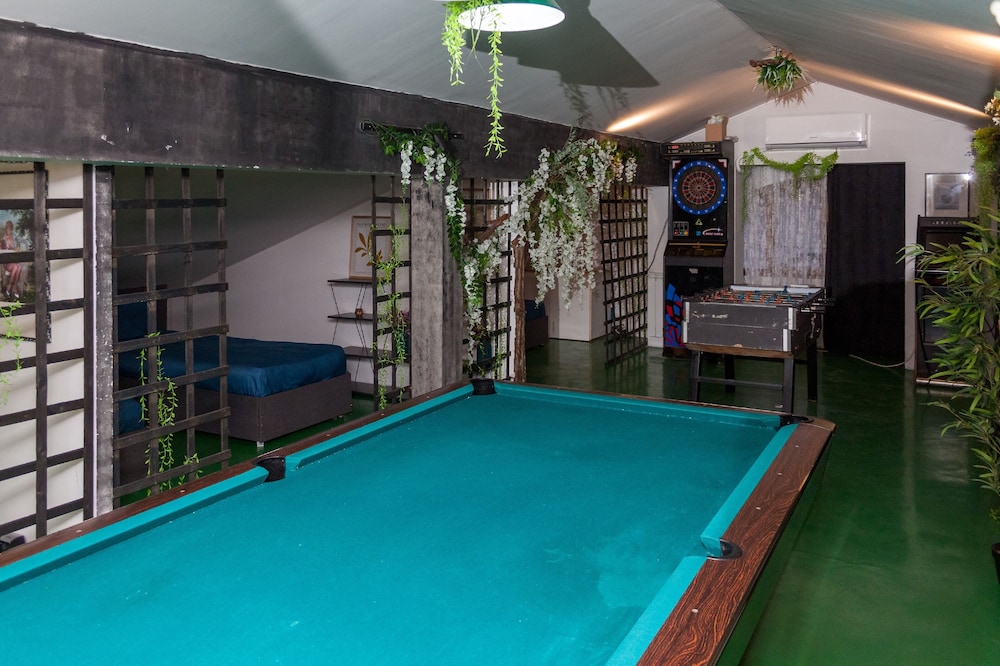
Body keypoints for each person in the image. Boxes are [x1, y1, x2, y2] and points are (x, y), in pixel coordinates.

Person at [1, 219, 23, 301]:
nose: (10, 230)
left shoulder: (14, 239)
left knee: (18, 266)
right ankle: (12, 287)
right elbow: (1, 251)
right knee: (16, 267)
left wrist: (17, 249)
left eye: (11, 228)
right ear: (6, 229)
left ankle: (11, 287)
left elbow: (16, 248)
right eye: (8, 228)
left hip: (13, 260)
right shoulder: (3, 239)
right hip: (6, 262)